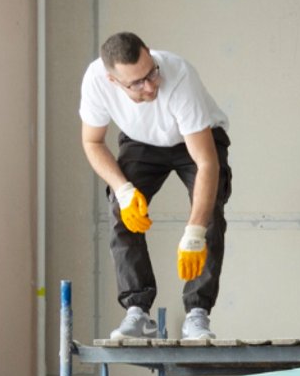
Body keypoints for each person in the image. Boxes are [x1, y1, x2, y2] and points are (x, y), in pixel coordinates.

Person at [79, 31, 232, 340]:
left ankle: (197, 314)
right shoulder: (95, 81)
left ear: (149, 53)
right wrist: (123, 190)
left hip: (196, 139)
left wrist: (194, 233)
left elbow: (206, 164)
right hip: (141, 140)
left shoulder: (178, 76)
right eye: (136, 83)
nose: (150, 86)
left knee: (208, 212)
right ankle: (137, 311)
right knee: (122, 210)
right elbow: (92, 142)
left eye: (151, 73)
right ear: (113, 80)